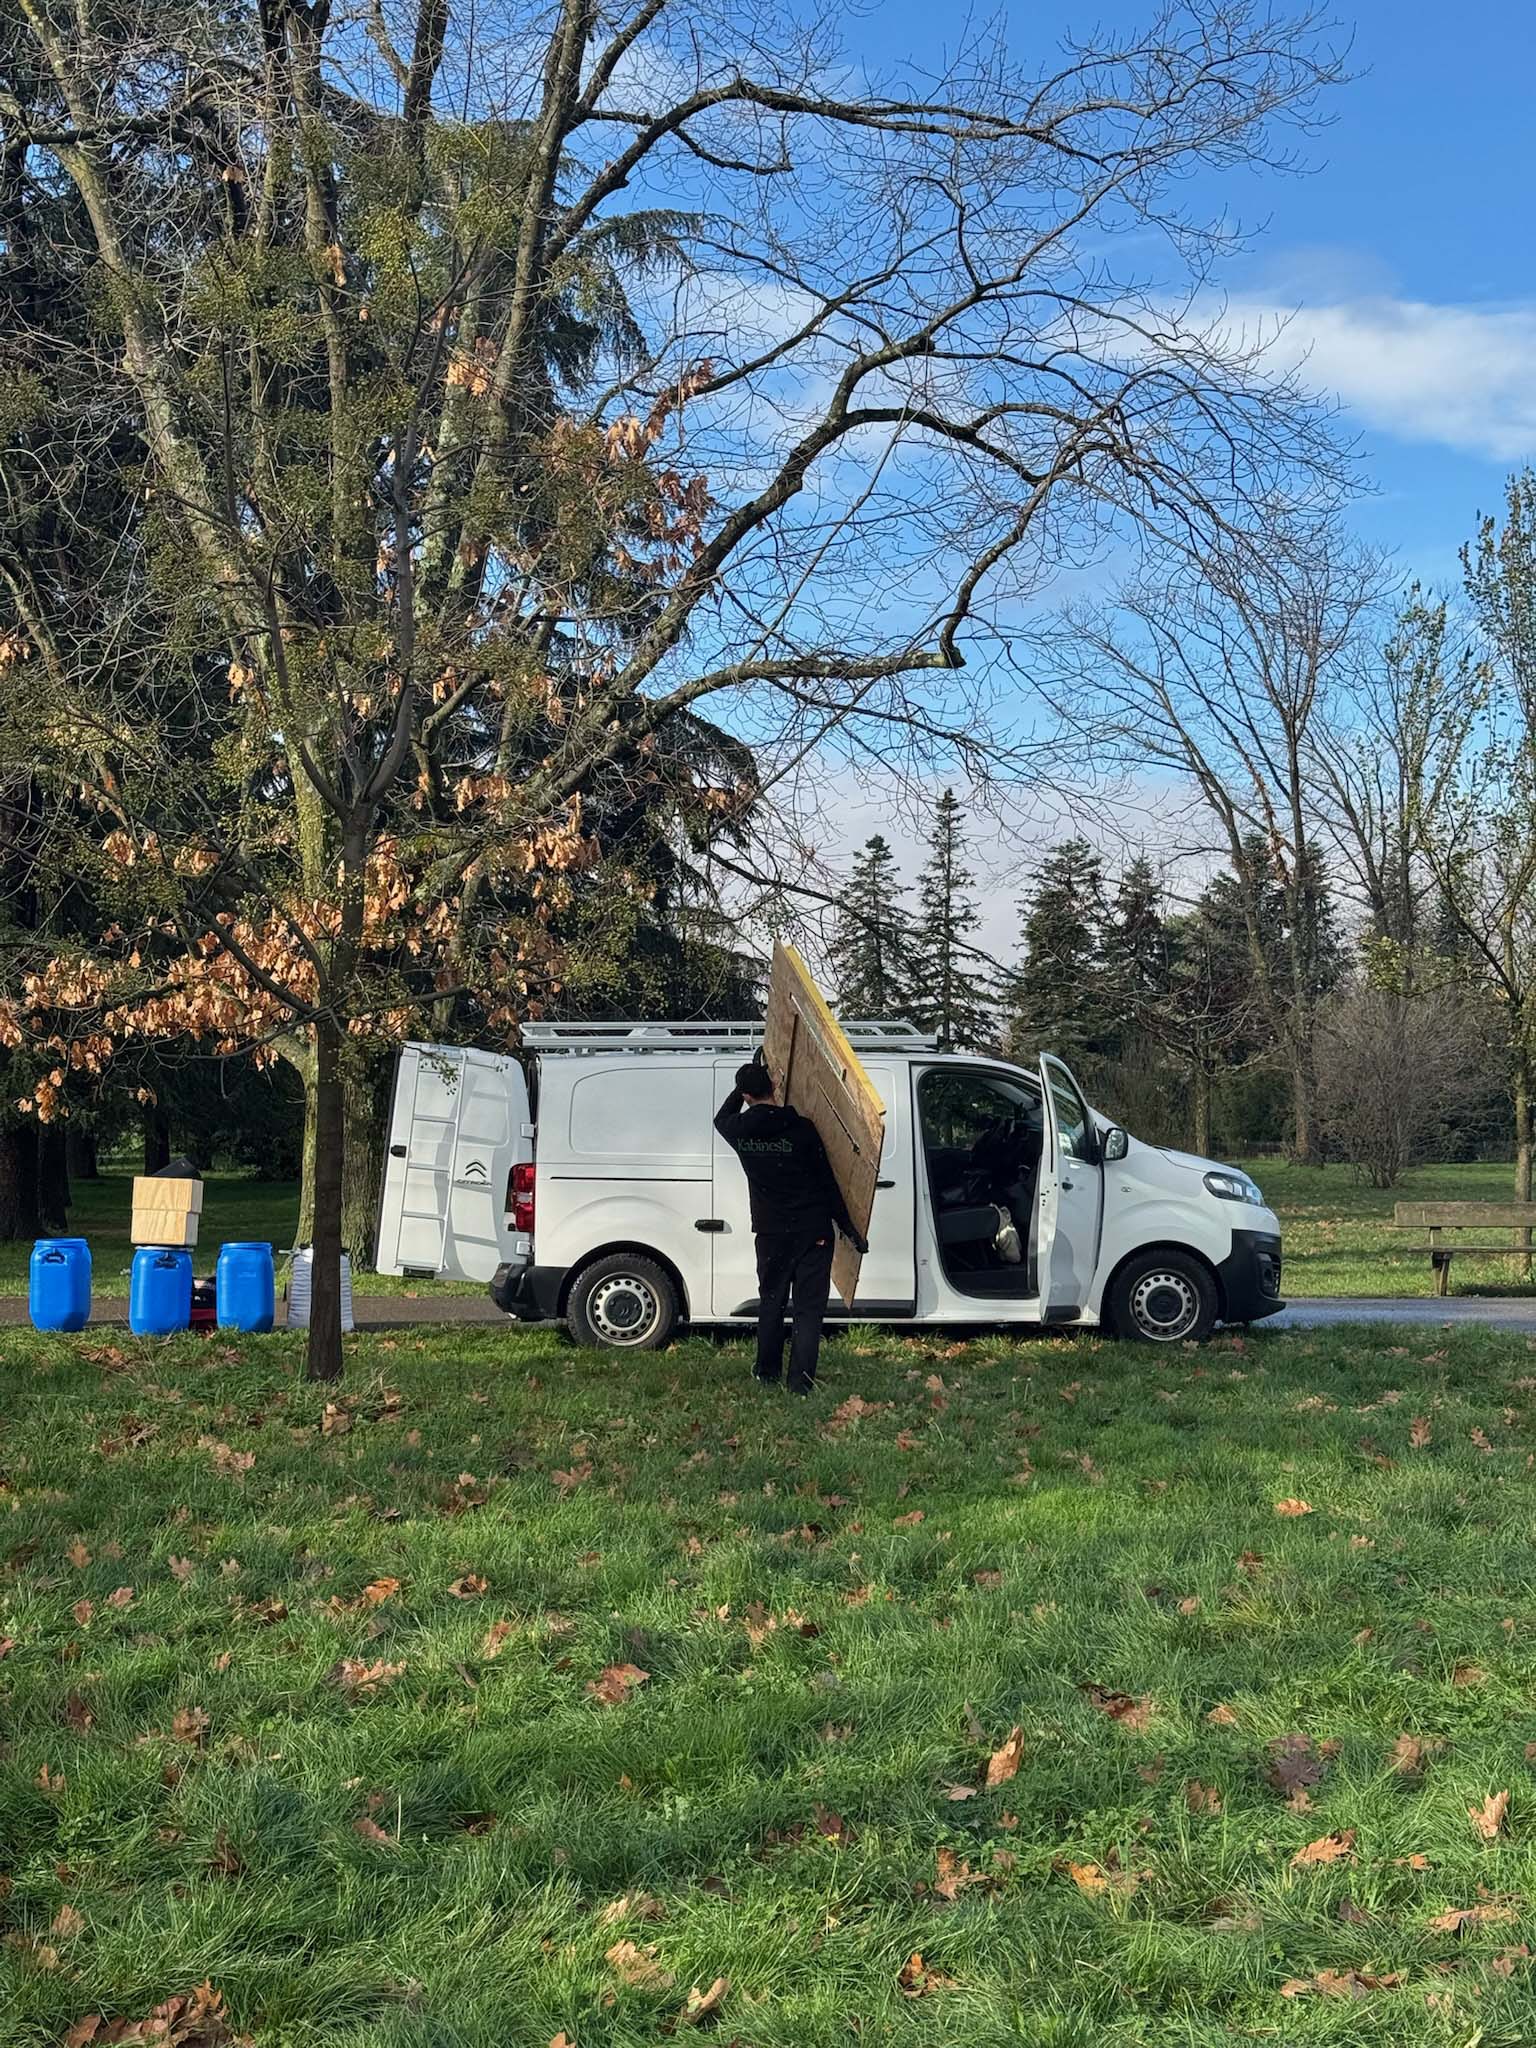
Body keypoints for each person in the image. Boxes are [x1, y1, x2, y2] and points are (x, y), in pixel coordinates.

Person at [714, 1061, 867, 1393]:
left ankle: (767, 1373)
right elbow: (827, 1182)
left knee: (771, 1300)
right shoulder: (802, 1128)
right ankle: (801, 1383)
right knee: (808, 1309)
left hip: (771, 1233)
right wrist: (850, 1228)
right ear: (773, 1087)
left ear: (745, 1095)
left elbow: (720, 1118)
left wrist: (743, 1084)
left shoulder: (739, 1131)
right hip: (814, 1231)